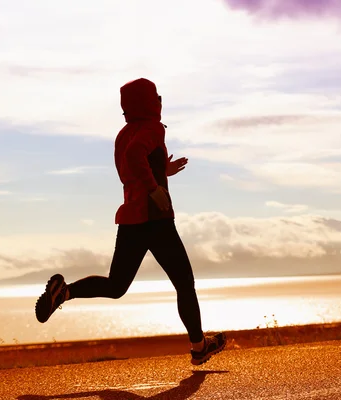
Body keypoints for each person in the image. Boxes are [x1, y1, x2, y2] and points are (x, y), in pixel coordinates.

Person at [34, 78, 226, 366]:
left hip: (131, 219)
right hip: (156, 219)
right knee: (185, 284)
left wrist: (162, 170)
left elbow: (131, 166)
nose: (161, 101)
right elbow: (136, 156)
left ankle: (66, 291)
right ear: (147, 103)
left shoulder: (124, 132)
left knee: (116, 285)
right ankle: (200, 348)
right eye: (156, 97)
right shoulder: (153, 128)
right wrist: (154, 188)